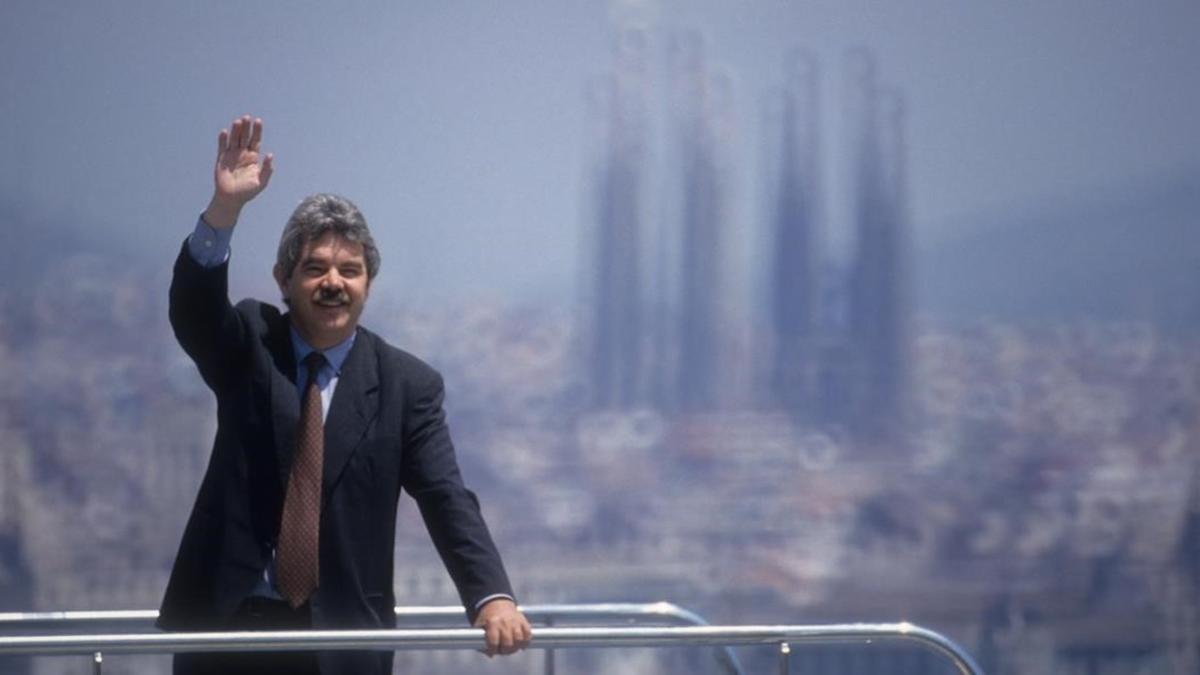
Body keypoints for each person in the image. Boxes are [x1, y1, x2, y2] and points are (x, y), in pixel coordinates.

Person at [158, 115, 531, 675]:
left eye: (350, 270)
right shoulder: (251, 345)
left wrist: (491, 596)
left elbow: (446, 497)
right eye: (315, 269)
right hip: (230, 631)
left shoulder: (407, 385)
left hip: (342, 641)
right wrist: (224, 212)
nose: (334, 282)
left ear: (367, 286)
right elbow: (194, 313)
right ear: (284, 280)